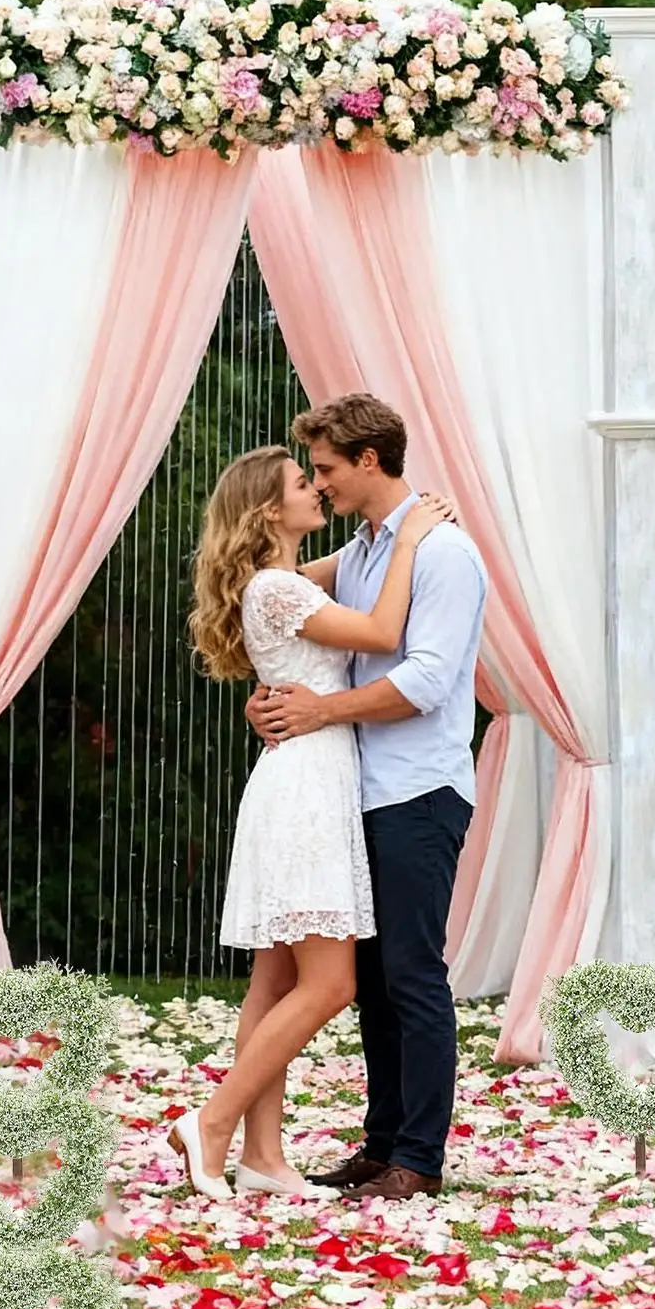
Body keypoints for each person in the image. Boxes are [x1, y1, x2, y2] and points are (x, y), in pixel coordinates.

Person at [167, 443, 453, 1199]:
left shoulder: (283, 580)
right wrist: (414, 539)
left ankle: (263, 1156)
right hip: (308, 789)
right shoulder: (276, 589)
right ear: (269, 509)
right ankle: (215, 1120)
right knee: (329, 985)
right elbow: (385, 632)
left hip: (302, 779)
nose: (316, 489)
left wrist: (386, 535)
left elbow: (337, 568)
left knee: (273, 982)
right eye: (303, 483)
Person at [247, 394, 487, 1202]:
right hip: (356, 789)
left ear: (369, 461)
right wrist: (274, 694)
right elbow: (282, 601)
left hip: (418, 788)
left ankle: (417, 1156)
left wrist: (319, 709)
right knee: (375, 977)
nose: (319, 484)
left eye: (325, 469)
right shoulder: (359, 553)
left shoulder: (443, 554)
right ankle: (380, 1142)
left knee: (412, 974)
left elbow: (423, 678)